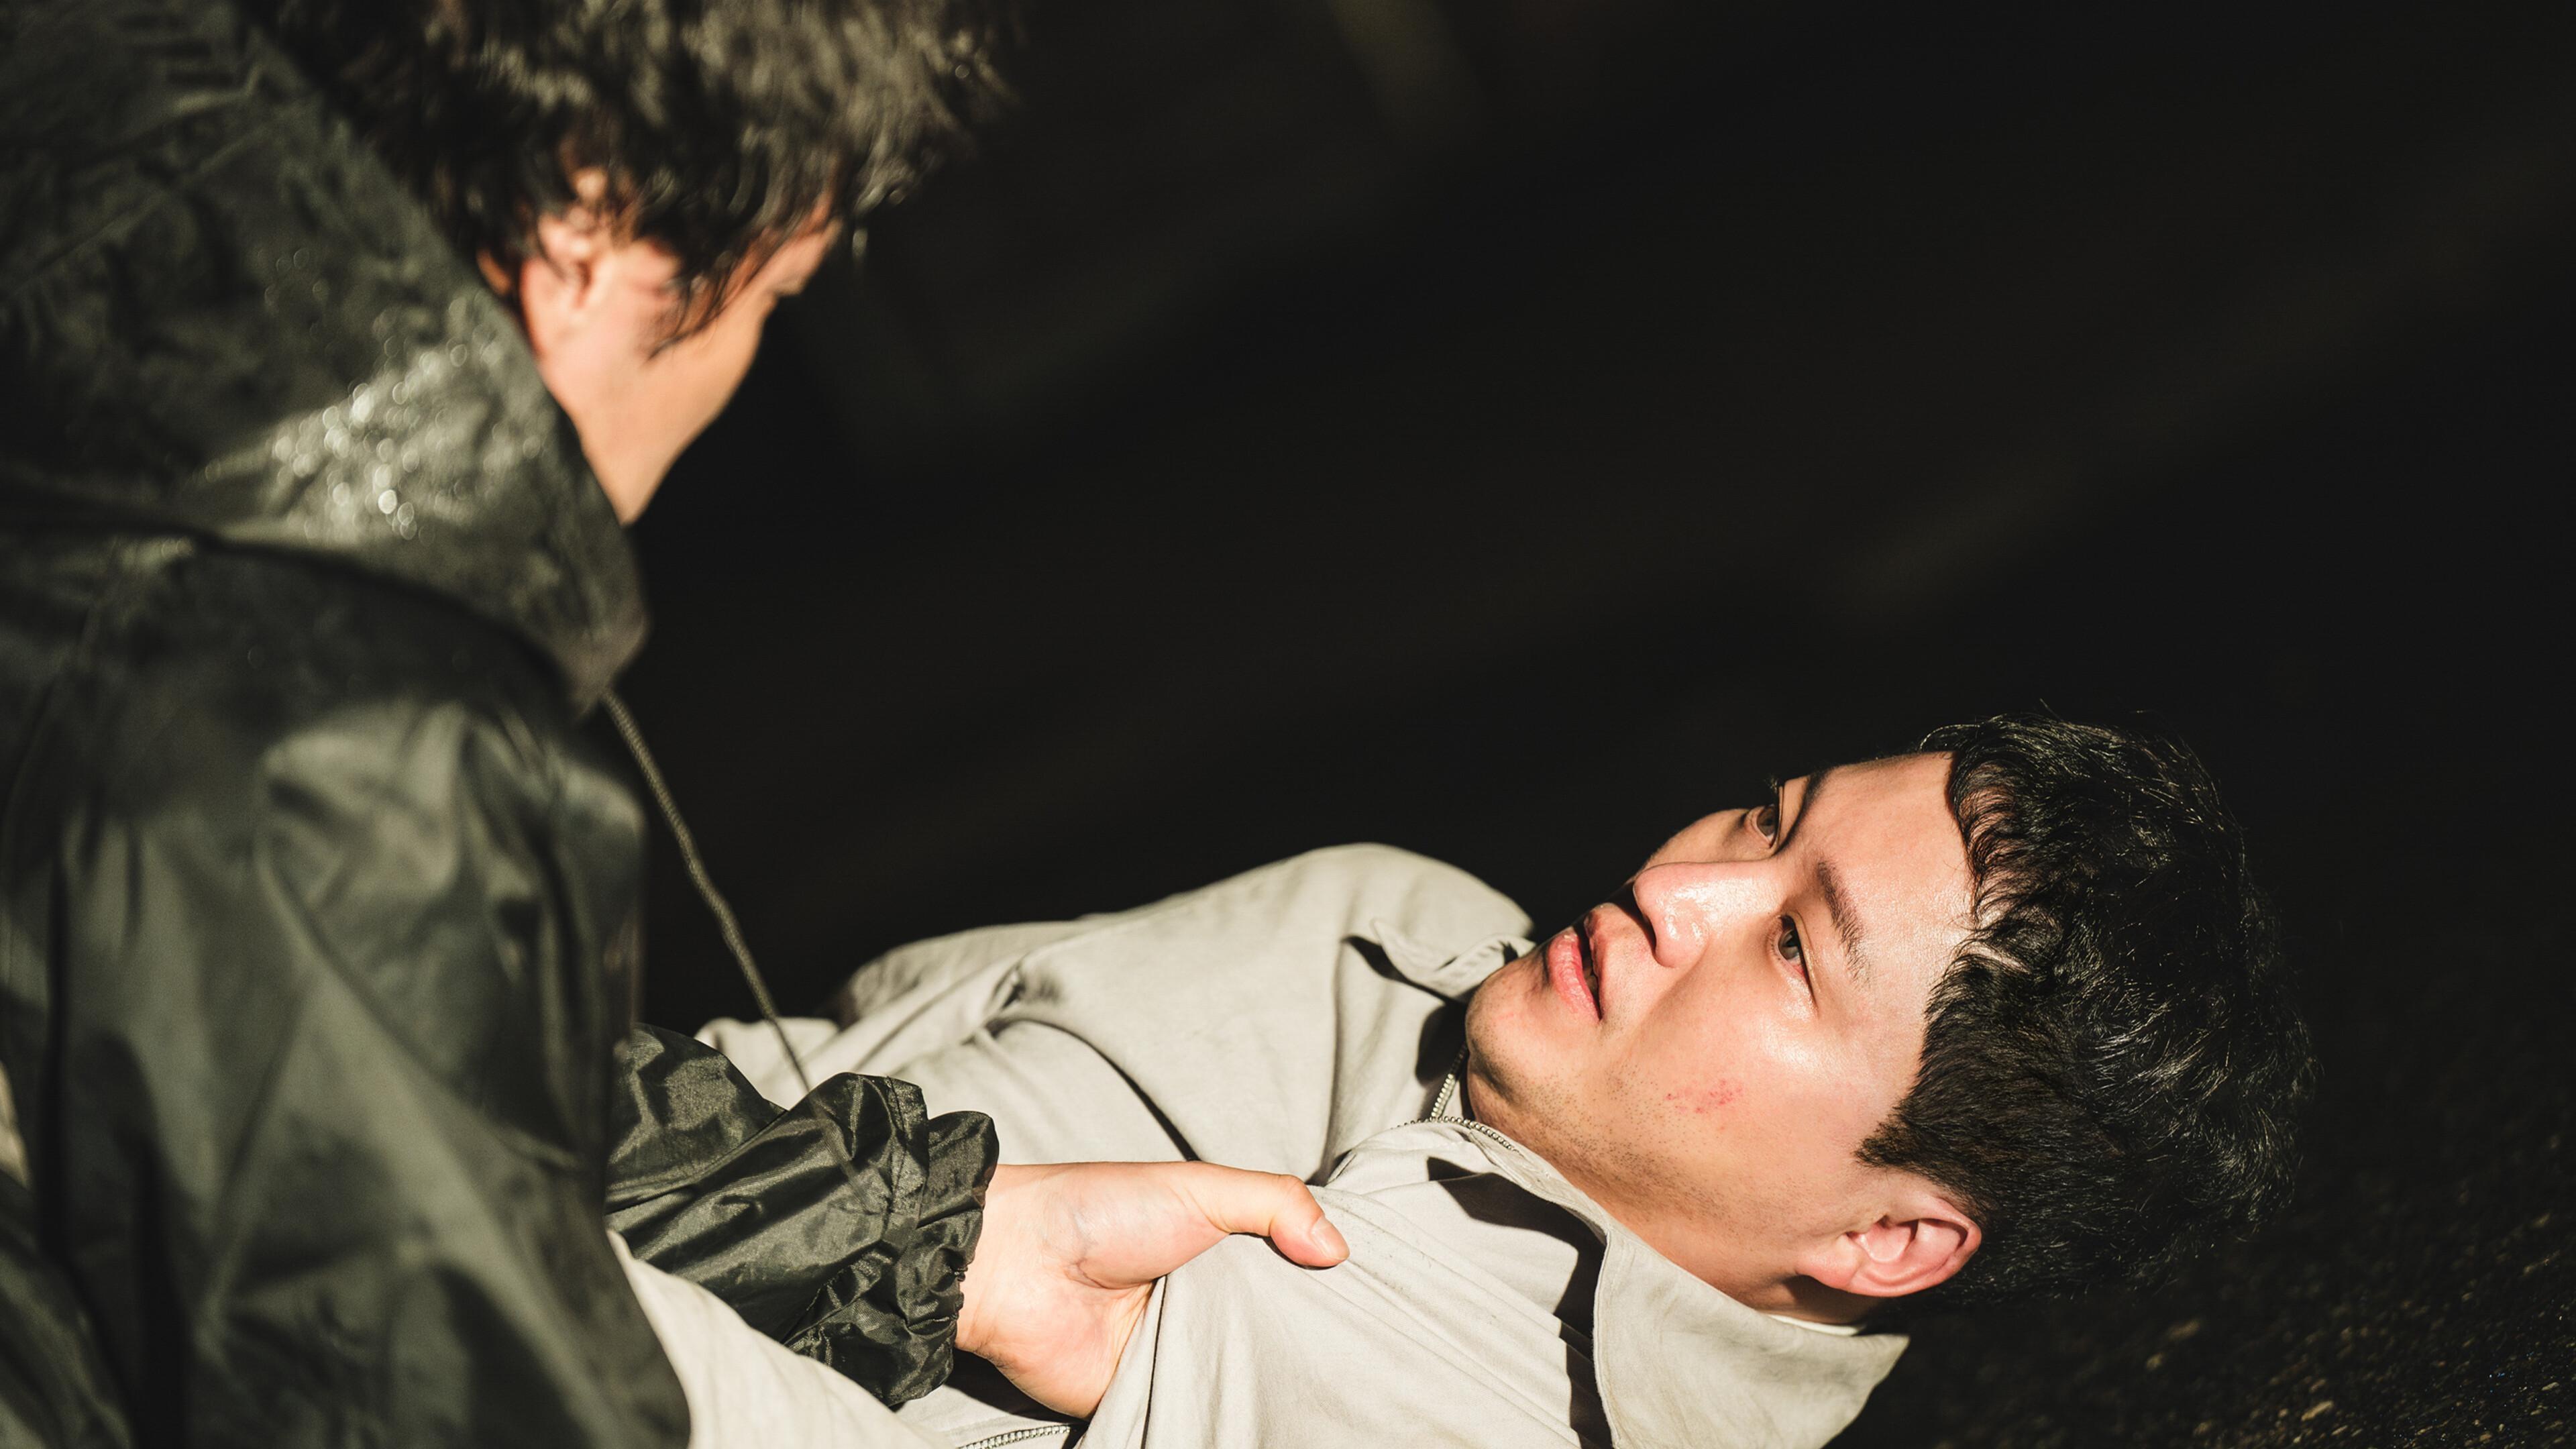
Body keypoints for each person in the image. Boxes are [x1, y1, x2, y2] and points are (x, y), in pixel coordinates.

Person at [0, 1, 1342, 1445]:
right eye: (775, 293)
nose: (744, 360)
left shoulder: (94, 162)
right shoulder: (336, 753)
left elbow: (384, 1092)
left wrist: (929, 1243)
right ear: (590, 230)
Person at [694, 715, 2317, 1448]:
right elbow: (825, 1044)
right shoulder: (1387, 916)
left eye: (1793, 948)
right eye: (1766, 818)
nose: (1675, 886)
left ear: (1887, 1238)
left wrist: (907, 1234)